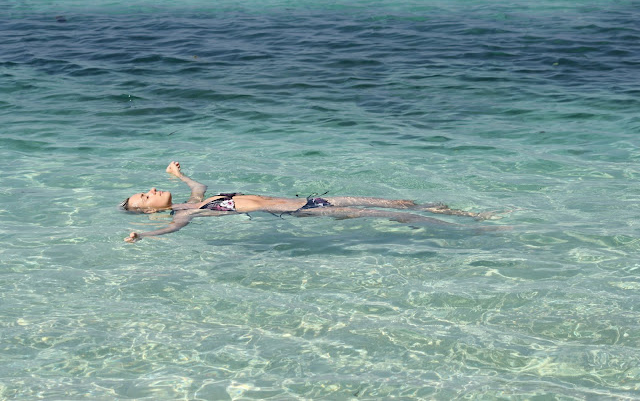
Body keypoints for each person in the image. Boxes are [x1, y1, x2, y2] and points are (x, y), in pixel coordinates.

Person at [121, 161, 492, 242]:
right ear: (150, 210)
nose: (150, 190)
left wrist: (178, 175)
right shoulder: (186, 215)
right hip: (301, 212)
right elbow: (170, 230)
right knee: (381, 213)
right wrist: (144, 235)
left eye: (146, 190)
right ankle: (470, 229)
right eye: (145, 197)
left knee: (400, 203)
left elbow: (199, 184)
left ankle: (468, 215)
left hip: (312, 200)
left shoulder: (196, 199)